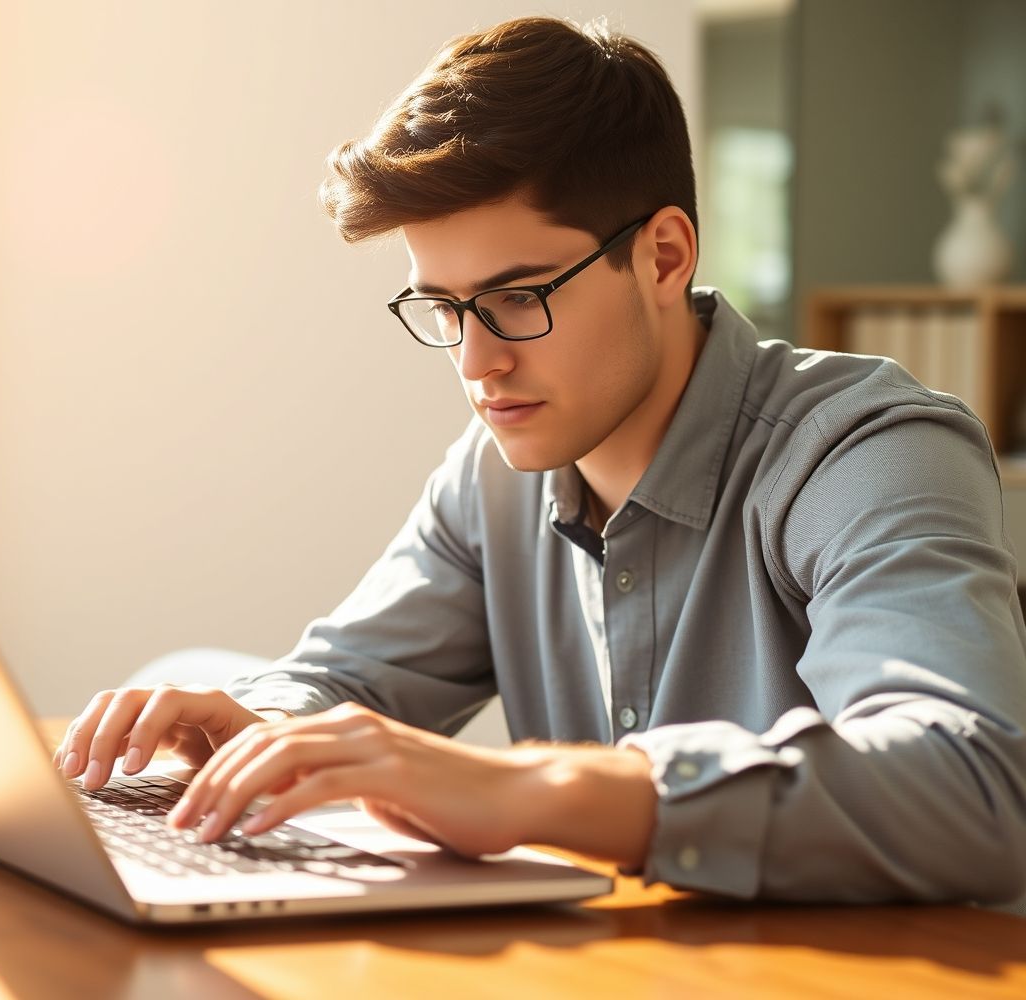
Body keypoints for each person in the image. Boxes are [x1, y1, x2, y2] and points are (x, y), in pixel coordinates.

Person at [51, 15, 1026, 902]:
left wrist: (531, 786)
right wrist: (250, 727)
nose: (476, 361)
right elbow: (349, 679)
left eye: (518, 297)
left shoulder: (870, 449)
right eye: (441, 307)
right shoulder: (490, 477)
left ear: (663, 255)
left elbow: (973, 783)